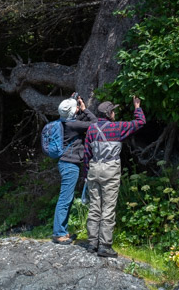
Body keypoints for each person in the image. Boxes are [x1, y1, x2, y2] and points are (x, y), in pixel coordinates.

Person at [83, 95, 146, 257]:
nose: (115, 114)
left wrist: (85, 173)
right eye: (113, 111)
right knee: (108, 208)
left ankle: (92, 243)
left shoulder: (91, 129)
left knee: (95, 206)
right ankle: (104, 245)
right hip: (110, 169)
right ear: (110, 114)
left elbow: (87, 154)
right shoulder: (117, 128)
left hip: (94, 168)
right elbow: (140, 122)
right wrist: (137, 107)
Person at [52, 94, 97, 244]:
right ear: (73, 111)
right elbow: (95, 123)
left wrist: (74, 105)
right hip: (70, 165)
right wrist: (84, 109)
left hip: (65, 163)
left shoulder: (64, 122)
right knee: (65, 199)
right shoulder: (72, 125)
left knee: (67, 198)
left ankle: (62, 231)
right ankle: (59, 233)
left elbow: (80, 122)